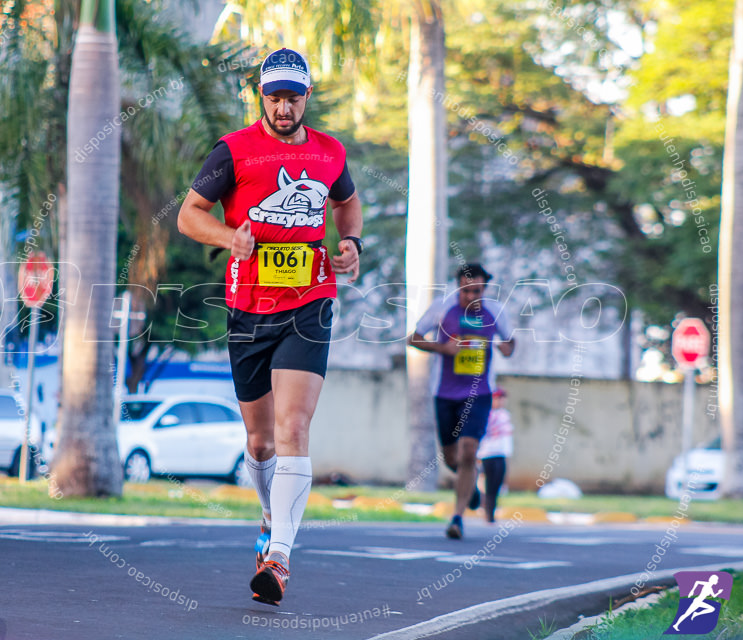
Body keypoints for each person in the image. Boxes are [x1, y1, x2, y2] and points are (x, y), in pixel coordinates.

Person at [177, 48, 363, 605]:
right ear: (262, 96)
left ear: (307, 97)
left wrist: (350, 242)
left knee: (294, 428)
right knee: (260, 442)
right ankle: (268, 514)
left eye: (293, 97)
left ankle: (279, 555)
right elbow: (190, 214)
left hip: (310, 299)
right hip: (249, 308)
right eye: (275, 97)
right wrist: (226, 237)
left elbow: (348, 204)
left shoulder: (330, 153)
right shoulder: (233, 151)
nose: (284, 107)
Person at [408, 263, 515, 539]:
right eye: (466, 291)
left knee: (469, 451)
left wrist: (506, 348)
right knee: (452, 459)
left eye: (477, 291)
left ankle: (457, 518)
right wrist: (443, 348)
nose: (471, 296)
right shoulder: (442, 308)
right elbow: (414, 338)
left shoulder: (495, 311)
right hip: (444, 393)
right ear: (458, 287)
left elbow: (511, 342)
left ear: (485, 289)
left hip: (479, 394)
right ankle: (472, 491)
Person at [475, 387, 513, 524]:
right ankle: (486, 511)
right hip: (486, 454)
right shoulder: (484, 414)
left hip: (501, 454)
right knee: (486, 485)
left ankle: (491, 512)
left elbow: (507, 438)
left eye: (502, 398)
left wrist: (508, 455)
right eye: (497, 398)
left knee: (497, 485)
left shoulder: (505, 415)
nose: (500, 401)